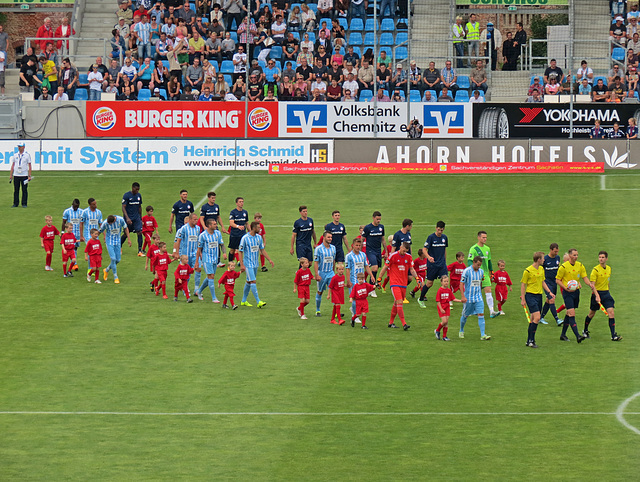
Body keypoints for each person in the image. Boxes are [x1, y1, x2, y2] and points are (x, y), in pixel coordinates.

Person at [556, 248, 597, 343]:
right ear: (570, 255)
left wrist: (589, 284)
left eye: (577, 255)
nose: (576, 257)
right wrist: (565, 288)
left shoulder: (580, 265)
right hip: (567, 293)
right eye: (574, 255)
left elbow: (584, 277)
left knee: (568, 313)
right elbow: (557, 280)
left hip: (576, 292)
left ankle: (563, 335)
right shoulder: (564, 267)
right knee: (572, 313)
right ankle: (578, 336)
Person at [377, 242, 419, 331]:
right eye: (403, 250)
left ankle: (391, 323)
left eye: (406, 251)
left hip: (403, 284)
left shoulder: (409, 257)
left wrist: (417, 278)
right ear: (400, 247)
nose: (404, 252)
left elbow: (412, 269)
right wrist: (379, 278)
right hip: (394, 283)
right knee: (400, 302)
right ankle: (404, 324)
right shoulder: (393, 256)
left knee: (396, 303)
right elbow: (385, 267)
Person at [583, 251, 622, 341]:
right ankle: (585, 330)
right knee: (591, 314)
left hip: (606, 294)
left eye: (603, 257)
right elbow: (593, 286)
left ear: (606, 259)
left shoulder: (608, 268)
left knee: (611, 312)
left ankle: (613, 335)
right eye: (600, 257)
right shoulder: (595, 270)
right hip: (597, 294)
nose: (601, 259)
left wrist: (607, 291)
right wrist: (597, 296)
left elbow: (607, 282)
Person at [521, 251, 556, 348]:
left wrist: (549, 292)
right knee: (537, 317)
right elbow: (523, 285)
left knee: (533, 319)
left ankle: (529, 341)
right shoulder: (527, 271)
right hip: (530, 296)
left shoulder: (541, 269)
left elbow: (543, 282)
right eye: (543, 258)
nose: (544, 260)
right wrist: (523, 298)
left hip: (539, 296)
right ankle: (532, 340)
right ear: (538, 259)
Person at [238, 220, 274, 308]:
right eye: (258, 227)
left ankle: (243, 300)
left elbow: (262, 250)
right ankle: (258, 301)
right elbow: (240, 251)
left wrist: (269, 259)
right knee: (253, 281)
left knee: (248, 281)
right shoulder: (245, 238)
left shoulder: (258, 238)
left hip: (255, 264)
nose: (260, 229)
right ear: (253, 228)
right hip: (248, 264)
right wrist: (242, 264)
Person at [459, 256, 491, 340]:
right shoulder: (466, 271)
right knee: (465, 315)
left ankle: (483, 335)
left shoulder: (481, 272)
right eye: (478, 264)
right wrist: (462, 296)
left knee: (481, 314)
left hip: (478, 297)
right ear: (473, 262)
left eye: (480, 265)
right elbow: (461, 284)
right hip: (468, 298)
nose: (479, 266)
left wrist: (479, 291)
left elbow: (480, 282)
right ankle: (461, 330)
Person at [468, 230, 499, 318]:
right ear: (478, 237)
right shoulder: (473, 249)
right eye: (483, 237)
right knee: (475, 293)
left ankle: (492, 311)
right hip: (476, 275)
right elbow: (469, 261)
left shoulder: (487, 249)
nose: (485, 239)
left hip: (485, 275)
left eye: (486, 237)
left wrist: (491, 272)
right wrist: (474, 271)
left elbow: (489, 261)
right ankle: (471, 310)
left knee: (488, 291)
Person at [417, 220, 448, 308]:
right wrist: (429, 257)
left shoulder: (444, 238)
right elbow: (424, 249)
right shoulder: (431, 237)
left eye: (441, 230)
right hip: (432, 265)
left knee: (445, 282)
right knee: (430, 283)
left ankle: (446, 302)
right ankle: (421, 298)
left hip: (442, 264)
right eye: (438, 229)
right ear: (436, 228)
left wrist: (444, 261)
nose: (440, 231)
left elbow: (444, 249)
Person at [195, 218, 226, 303]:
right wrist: (197, 261)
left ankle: (199, 291)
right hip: (206, 259)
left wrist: (224, 253)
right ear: (209, 225)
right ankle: (214, 298)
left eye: (216, 224)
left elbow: (221, 244)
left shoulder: (217, 233)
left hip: (215, 259)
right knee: (211, 276)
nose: (216, 225)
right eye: (214, 224)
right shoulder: (203, 235)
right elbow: (199, 249)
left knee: (210, 277)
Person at [345, 237, 374, 323]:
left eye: (359, 245)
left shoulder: (363, 255)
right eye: (356, 245)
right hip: (354, 281)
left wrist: (371, 275)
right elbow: (347, 269)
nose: (358, 247)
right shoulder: (349, 256)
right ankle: (354, 316)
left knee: (362, 298)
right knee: (355, 299)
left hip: (362, 282)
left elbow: (366, 266)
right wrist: (348, 281)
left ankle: (354, 311)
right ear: (353, 245)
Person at [173, 213, 202, 293]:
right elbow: (178, 240)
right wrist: (177, 253)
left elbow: (198, 242)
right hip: (186, 254)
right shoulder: (184, 228)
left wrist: (200, 253)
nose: (196, 221)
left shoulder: (198, 228)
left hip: (195, 254)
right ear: (190, 220)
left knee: (198, 269)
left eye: (197, 219)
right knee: (186, 272)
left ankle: (196, 289)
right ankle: (185, 287)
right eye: (194, 219)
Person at [100, 214, 131, 284]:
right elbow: (100, 230)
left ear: (114, 220)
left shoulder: (120, 220)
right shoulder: (105, 223)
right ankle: (115, 277)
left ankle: (106, 270)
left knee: (118, 260)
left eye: (110, 223)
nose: (109, 224)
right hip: (109, 242)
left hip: (117, 242)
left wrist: (129, 239)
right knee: (113, 259)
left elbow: (126, 228)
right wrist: (94, 239)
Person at [313, 231, 337, 318]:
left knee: (334, 291)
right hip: (322, 273)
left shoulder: (333, 248)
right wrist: (317, 274)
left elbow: (333, 260)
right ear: (324, 238)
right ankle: (317, 309)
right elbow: (316, 262)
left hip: (330, 273)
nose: (330, 239)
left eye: (331, 237)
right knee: (320, 291)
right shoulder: (318, 249)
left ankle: (336, 311)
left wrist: (334, 272)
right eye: (328, 237)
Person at [362, 211, 386, 291]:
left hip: (378, 251)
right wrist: (360, 251)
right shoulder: (368, 228)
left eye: (379, 219)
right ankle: (371, 288)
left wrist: (386, 251)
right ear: (373, 218)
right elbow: (362, 239)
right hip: (370, 251)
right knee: (374, 268)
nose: (378, 221)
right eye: (377, 219)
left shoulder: (381, 227)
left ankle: (369, 286)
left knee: (376, 269)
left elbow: (383, 239)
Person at [540, 243, 562, 326]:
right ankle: (557, 319)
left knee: (548, 300)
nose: (556, 253)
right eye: (555, 251)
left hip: (554, 283)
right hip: (546, 282)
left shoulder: (558, 258)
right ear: (551, 250)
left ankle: (541, 317)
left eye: (557, 251)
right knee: (551, 299)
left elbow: (558, 268)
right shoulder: (545, 259)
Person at [435, 275, 460, 341]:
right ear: (441, 282)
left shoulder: (449, 290)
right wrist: (441, 309)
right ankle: (437, 330)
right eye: (444, 281)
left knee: (446, 322)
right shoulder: (440, 290)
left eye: (447, 281)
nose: (446, 283)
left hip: (447, 307)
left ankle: (444, 336)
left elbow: (453, 298)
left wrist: (461, 301)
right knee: (444, 321)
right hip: (442, 307)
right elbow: (438, 301)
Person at [122, 181, 143, 254]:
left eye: (138, 189)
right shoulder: (127, 195)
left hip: (136, 218)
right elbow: (123, 207)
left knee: (139, 232)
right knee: (126, 234)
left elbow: (140, 207)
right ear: (132, 188)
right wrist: (127, 218)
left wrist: (140, 218)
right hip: (129, 217)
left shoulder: (139, 196)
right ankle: (120, 246)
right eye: (136, 189)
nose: (137, 191)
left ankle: (140, 250)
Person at [9, 142, 32, 208]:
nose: (19, 147)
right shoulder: (15, 155)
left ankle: (24, 203)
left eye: (21, 146)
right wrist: (11, 174)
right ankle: (15, 203)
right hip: (16, 175)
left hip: (24, 175)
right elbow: (13, 165)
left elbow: (29, 165)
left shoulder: (27, 155)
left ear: (24, 147)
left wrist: (29, 175)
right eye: (19, 146)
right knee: (16, 190)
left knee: (24, 190)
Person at [61, 198, 83, 268]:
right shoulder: (67, 211)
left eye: (77, 206)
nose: (76, 207)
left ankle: (73, 262)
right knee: (71, 247)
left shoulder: (81, 211)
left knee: (76, 247)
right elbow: (64, 222)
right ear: (72, 204)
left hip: (78, 232)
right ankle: (74, 263)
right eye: (75, 206)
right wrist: (62, 232)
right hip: (70, 233)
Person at [228, 196, 249, 262]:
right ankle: (230, 262)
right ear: (236, 203)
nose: (241, 203)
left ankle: (243, 262)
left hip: (243, 234)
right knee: (232, 249)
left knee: (244, 249)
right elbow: (231, 223)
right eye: (240, 202)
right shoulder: (233, 212)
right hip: (234, 234)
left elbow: (247, 223)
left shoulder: (245, 212)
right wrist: (238, 226)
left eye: (242, 202)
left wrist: (251, 231)